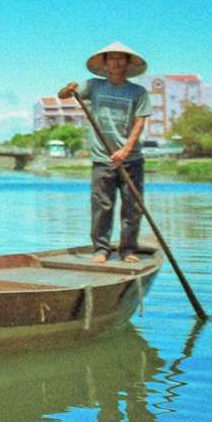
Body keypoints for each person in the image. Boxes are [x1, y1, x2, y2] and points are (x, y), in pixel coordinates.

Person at [58, 42, 153, 264]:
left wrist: (126, 149)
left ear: (128, 64)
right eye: (112, 58)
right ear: (105, 63)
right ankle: (101, 249)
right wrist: (68, 88)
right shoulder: (93, 86)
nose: (117, 62)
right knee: (102, 205)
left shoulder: (138, 92)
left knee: (132, 207)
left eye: (121, 58)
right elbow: (63, 95)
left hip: (131, 160)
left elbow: (140, 122)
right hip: (102, 159)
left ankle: (128, 249)